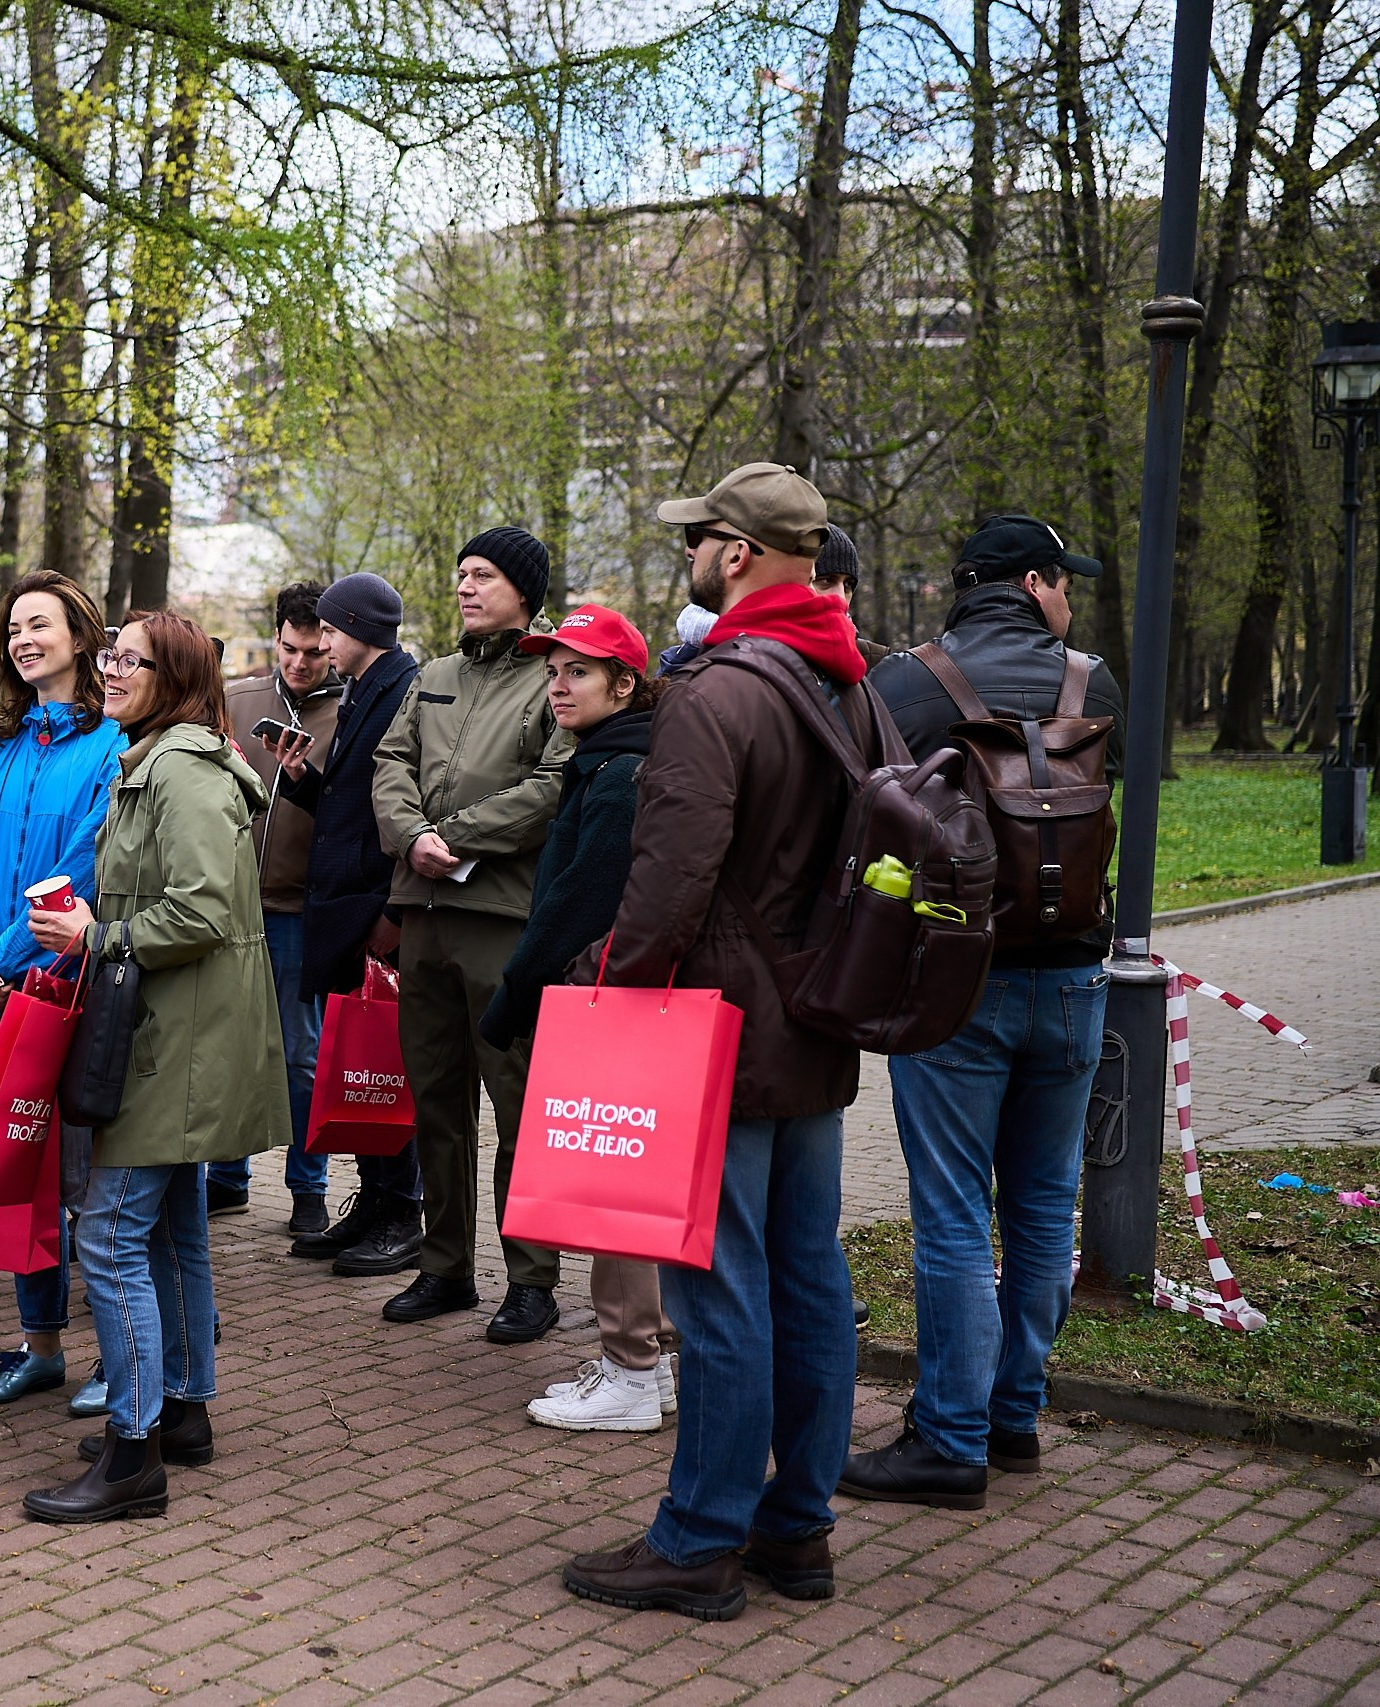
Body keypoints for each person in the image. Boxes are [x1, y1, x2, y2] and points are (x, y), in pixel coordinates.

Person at [561, 461, 864, 1620]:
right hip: (815, 1020)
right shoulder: (851, 682)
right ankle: (798, 1530)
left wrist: (613, 987)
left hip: (718, 1037)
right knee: (809, 1278)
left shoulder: (715, 691)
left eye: (699, 539)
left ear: (735, 554)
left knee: (721, 1288)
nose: (687, 554)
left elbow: (668, 878)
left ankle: (697, 1538)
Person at [842, 515, 1124, 1508]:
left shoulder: (905, 685)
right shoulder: (1095, 684)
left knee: (955, 1212)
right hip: (1079, 980)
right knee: (1045, 1204)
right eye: (1063, 583)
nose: (1070, 604)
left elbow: (864, 809)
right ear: (1032, 583)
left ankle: (947, 1444)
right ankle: (1012, 1419)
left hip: (955, 980)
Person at [20, 609, 287, 1521]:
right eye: (109, 654)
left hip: (177, 1046)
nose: (110, 669)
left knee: (109, 1235)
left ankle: (134, 1451)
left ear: (172, 675)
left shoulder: (183, 773)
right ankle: (183, 1409)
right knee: (172, 1230)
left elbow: (204, 908)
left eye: (130, 658)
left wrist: (105, 933)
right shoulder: (155, 762)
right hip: (169, 1035)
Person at [368, 528, 573, 1342]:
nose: (465, 586)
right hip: (423, 914)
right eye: (460, 573)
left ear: (525, 590)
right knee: (434, 1103)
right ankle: (444, 1264)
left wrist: (459, 834)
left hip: (501, 920)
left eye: (483, 574)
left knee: (516, 1102)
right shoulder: (434, 676)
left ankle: (532, 1279)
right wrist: (411, 833)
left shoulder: (552, 676)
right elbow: (391, 760)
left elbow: (554, 783)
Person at [476, 606, 673, 1432]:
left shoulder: (620, 770)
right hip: (613, 991)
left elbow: (581, 898)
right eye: (552, 671)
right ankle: (649, 1357)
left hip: (606, 997)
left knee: (612, 1178)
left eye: (578, 671)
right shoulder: (605, 758)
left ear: (624, 684)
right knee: (626, 1177)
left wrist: (515, 987)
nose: (558, 685)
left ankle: (632, 1367)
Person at [0, 569, 126, 1412]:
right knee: (21, 1172)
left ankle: (116, 1357)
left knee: (86, 1183)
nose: (21, 639)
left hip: (65, 990)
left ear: (80, 637)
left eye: (38, 624)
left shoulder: (112, 744)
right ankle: (39, 1346)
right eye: (12, 627)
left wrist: (2, 961)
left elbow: (82, 865)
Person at [277, 573, 426, 1276]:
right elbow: (351, 799)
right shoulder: (366, 685)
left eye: (331, 630)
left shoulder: (403, 689)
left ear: (360, 627)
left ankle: (403, 1212)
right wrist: (306, 779)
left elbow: (404, 807)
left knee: (382, 1067)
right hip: (343, 902)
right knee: (360, 1066)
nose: (323, 642)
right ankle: (372, 1200)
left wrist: (394, 910)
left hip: (373, 907)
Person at [214, 581, 342, 1235]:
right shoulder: (236, 700)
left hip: (301, 908)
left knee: (300, 1055)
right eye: (290, 649)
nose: (299, 664)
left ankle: (309, 1185)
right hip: (232, 906)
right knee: (232, 1046)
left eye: (314, 653)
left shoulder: (348, 713)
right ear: (275, 639)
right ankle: (228, 1176)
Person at [811, 527, 892, 670]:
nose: (840, 597)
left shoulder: (875, 662)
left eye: (848, 585)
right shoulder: (769, 656)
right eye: (826, 581)